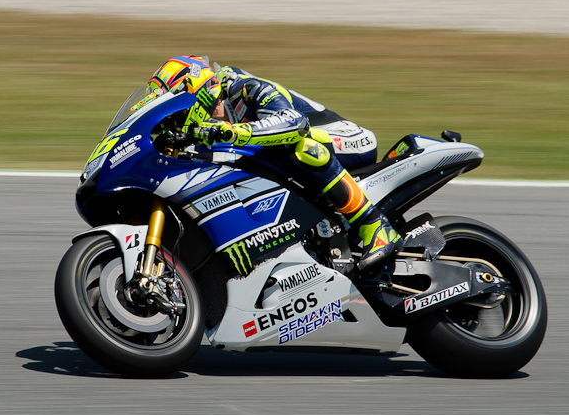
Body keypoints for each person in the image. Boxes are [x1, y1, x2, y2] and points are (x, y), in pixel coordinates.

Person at [146, 55, 402, 273]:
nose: (176, 120)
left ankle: (376, 226)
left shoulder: (243, 87)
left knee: (292, 144)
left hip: (346, 139)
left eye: (176, 109)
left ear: (193, 90)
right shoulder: (203, 132)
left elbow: (293, 123)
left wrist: (232, 132)